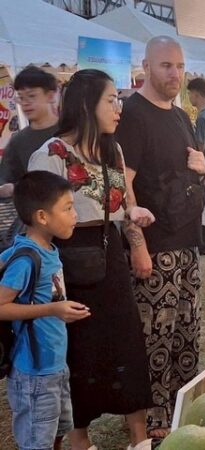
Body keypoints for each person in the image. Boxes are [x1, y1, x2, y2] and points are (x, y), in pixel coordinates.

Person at [28, 69, 155, 450]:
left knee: (126, 341)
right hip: (66, 262)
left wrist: (137, 239)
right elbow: (38, 222)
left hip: (110, 252)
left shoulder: (112, 150)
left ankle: (139, 435)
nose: (118, 108)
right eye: (111, 100)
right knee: (78, 351)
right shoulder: (50, 154)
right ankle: (79, 438)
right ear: (86, 105)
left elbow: (126, 204)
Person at [115, 36, 205, 437]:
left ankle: (182, 407)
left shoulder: (181, 115)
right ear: (147, 67)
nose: (175, 74)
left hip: (186, 242)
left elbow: (188, 169)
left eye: (180, 66)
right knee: (155, 336)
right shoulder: (134, 116)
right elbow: (123, 186)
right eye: (166, 65)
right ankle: (153, 419)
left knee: (186, 332)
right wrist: (138, 245)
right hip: (155, 249)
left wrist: (203, 168)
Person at [0, 171, 90, 450]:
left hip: (54, 365)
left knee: (56, 431)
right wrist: (53, 309)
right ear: (42, 216)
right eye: (67, 208)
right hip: (33, 372)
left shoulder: (46, 249)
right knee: (37, 441)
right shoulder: (27, 259)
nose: (75, 215)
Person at [0, 67, 58, 198]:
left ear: (50, 96)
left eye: (31, 96)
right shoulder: (18, 141)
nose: (25, 103)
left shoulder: (71, 131)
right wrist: (9, 188)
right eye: (21, 98)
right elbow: (6, 180)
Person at [187, 77, 205, 256]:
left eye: (190, 93)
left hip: (204, 167)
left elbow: (201, 146)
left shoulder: (203, 117)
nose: (189, 97)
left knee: (202, 206)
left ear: (196, 95)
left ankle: (204, 245)